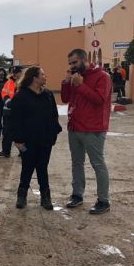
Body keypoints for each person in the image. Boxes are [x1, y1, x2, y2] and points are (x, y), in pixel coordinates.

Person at [61, 48, 112, 214]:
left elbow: (99, 100)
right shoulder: (75, 77)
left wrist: (80, 85)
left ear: (84, 60)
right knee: (77, 163)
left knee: (97, 163)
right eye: (70, 63)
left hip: (93, 128)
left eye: (75, 62)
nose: (72, 66)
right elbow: (65, 98)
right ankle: (77, 195)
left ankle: (103, 200)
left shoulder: (102, 77)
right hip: (75, 127)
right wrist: (66, 82)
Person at [10, 67, 62, 209]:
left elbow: (54, 115)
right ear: (34, 78)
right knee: (27, 168)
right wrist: (17, 140)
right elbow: (14, 120)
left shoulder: (48, 95)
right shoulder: (21, 96)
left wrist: (53, 132)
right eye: (42, 75)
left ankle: (46, 198)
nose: (45, 77)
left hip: (45, 139)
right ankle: (22, 196)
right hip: (28, 141)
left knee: (42, 168)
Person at [0, 66, 22, 157]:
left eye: (16, 72)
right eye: (13, 72)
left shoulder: (25, 83)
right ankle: (6, 151)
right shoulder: (8, 82)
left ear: (21, 73)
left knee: (20, 132)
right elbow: (3, 93)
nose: (15, 74)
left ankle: (23, 151)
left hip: (20, 112)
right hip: (8, 111)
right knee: (7, 132)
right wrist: (8, 101)